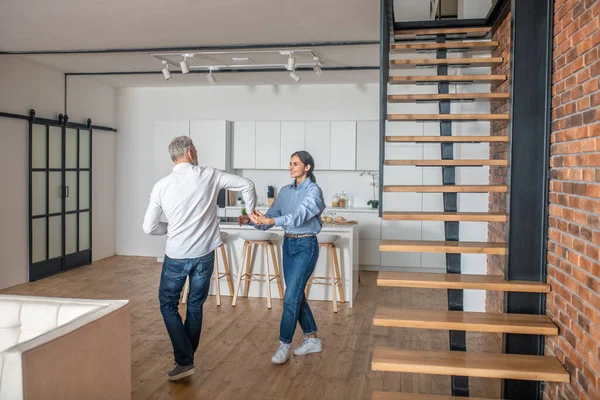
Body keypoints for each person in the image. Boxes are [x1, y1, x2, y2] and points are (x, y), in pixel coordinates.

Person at [143, 135, 257, 381]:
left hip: (176, 255)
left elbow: (149, 227)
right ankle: (186, 359)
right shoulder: (210, 174)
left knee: (167, 304)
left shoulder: (161, 186)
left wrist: (170, 230)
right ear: (191, 153)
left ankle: (184, 360)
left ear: (174, 157)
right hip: (204, 255)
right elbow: (247, 184)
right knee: (194, 305)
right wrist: (249, 213)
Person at [238, 150, 326, 364]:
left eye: (296, 164)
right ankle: (312, 338)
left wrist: (271, 222)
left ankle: (283, 345)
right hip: (288, 245)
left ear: (307, 167)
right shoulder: (285, 191)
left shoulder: (313, 191)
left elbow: (299, 216)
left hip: (306, 245)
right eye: (290, 163)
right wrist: (252, 220)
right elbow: (271, 217)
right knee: (295, 295)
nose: (291, 167)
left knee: (290, 296)